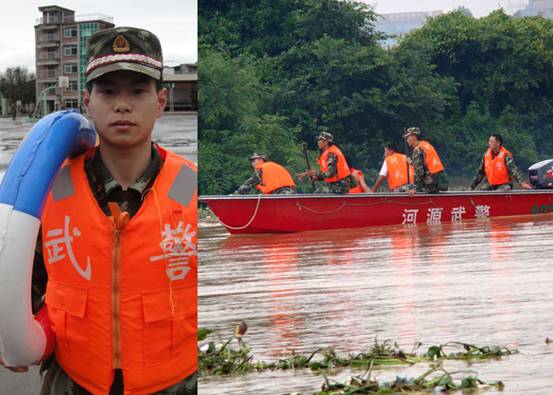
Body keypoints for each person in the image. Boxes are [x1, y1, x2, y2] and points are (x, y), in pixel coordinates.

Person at [1, 27, 198, 395]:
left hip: (175, 382)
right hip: (74, 380)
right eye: (108, 91)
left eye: (138, 91)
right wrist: (12, 335)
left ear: (161, 100)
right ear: (88, 102)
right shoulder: (52, 190)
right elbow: (23, 279)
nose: (122, 105)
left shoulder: (190, 188)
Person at [403, 127, 448, 196]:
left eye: (407, 138)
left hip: (431, 184)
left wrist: (414, 188)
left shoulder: (417, 149)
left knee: (403, 188)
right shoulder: (426, 145)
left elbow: (419, 172)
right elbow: (425, 165)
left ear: (413, 136)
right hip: (440, 182)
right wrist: (412, 163)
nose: (407, 140)